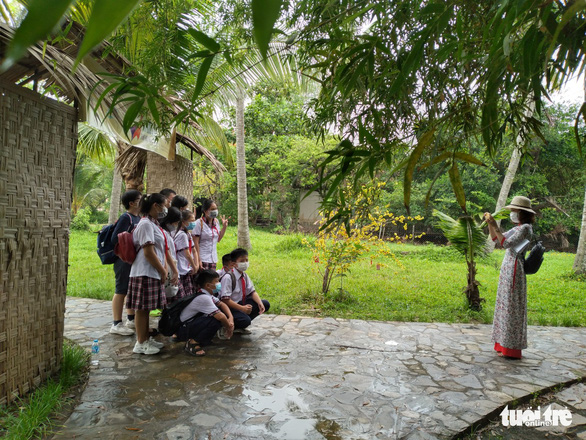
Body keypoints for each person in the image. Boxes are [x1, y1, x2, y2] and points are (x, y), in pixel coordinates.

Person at [126, 193, 179, 355]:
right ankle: (140, 343)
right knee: (141, 309)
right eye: (164, 205)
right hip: (145, 272)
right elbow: (148, 252)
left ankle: (145, 339)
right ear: (155, 205)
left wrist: (166, 269)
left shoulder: (153, 224)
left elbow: (161, 250)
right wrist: (163, 270)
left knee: (146, 309)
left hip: (152, 272)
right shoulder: (145, 225)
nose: (166, 209)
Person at [484, 195, 536, 360]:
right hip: (508, 267)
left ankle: (511, 347)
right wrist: (491, 225)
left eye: (514, 211)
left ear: (522, 213)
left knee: (511, 306)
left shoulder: (525, 229)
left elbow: (506, 244)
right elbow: (497, 239)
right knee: (504, 305)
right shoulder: (518, 227)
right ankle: (502, 344)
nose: (512, 213)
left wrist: (494, 225)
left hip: (515, 268)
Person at [177, 270, 234, 356]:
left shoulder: (207, 294)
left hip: (189, 326)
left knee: (218, 316)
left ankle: (201, 339)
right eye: (217, 281)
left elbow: (222, 304)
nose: (219, 283)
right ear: (208, 285)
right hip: (183, 330)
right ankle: (192, 343)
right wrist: (228, 327)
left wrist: (230, 318)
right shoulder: (204, 298)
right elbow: (220, 317)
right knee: (216, 320)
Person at [109, 190, 142, 336]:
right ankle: (116, 323)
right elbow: (115, 239)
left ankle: (131, 319)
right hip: (123, 259)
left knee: (130, 289)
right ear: (132, 203)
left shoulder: (138, 218)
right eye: (139, 199)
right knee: (121, 289)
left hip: (133, 258)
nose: (142, 201)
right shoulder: (126, 217)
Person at [218, 248, 270, 335]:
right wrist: (242, 308)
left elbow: (252, 291)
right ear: (233, 264)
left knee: (265, 304)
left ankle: (238, 323)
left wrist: (259, 302)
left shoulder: (244, 275)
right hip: (229, 307)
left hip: (240, 302)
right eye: (242, 261)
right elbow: (225, 299)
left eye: (246, 260)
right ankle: (225, 325)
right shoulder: (228, 277)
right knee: (245, 321)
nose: (245, 263)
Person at [192, 199, 228, 271]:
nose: (215, 211)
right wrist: (198, 260)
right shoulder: (199, 223)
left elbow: (218, 239)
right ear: (205, 211)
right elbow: (195, 243)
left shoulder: (216, 222)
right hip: (203, 258)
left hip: (213, 259)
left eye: (216, 209)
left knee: (211, 281)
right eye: (212, 209)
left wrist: (224, 227)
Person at [173, 210, 199, 298]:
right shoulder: (182, 235)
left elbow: (194, 250)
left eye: (194, 220)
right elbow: (187, 254)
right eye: (191, 221)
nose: (193, 223)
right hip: (182, 270)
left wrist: (196, 264)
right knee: (185, 297)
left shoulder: (187, 234)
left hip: (186, 268)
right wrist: (194, 267)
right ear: (183, 222)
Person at [159, 207, 182, 300]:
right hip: (169, 268)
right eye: (175, 222)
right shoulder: (164, 233)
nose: (176, 225)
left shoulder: (168, 233)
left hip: (172, 266)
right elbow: (167, 253)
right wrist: (174, 270)